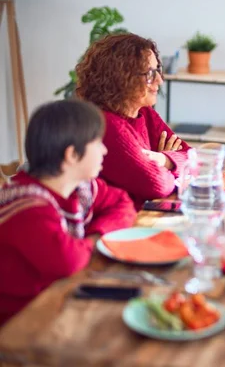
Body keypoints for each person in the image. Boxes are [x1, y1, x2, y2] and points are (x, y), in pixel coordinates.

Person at [0, 100, 136, 326]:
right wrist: (95, 242)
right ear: (72, 155)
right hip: (17, 325)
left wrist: (93, 235)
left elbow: (123, 203)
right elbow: (69, 260)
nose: (105, 150)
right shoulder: (28, 208)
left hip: (53, 300)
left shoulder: (80, 189)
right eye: (97, 142)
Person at [76, 33, 190, 208]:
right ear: (122, 77)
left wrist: (163, 160)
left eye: (158, 70)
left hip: (143, 214)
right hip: (120, 225)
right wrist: (172, 168)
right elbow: (156, 185)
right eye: (150, 74)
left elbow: (191, 158)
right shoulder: (107, 124)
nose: (160, 80)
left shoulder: (144, 113)